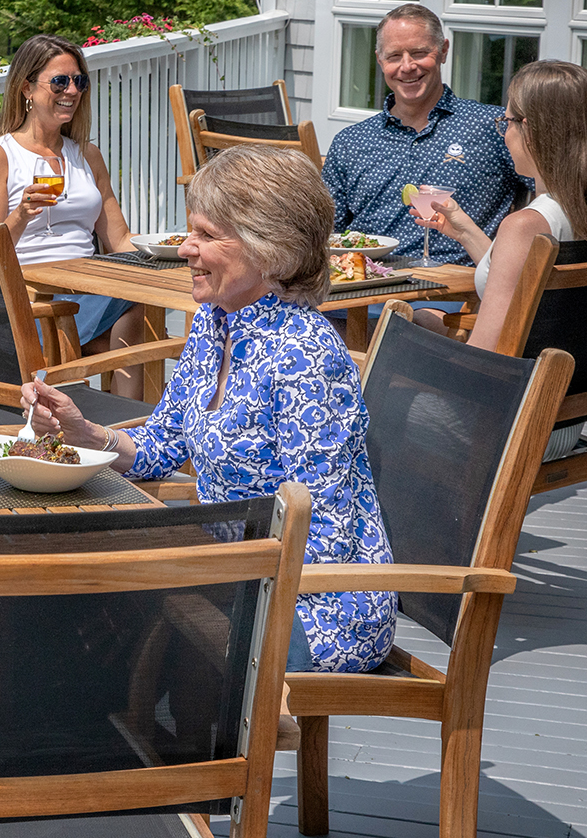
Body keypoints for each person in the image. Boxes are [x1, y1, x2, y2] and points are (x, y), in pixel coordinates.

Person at [21, 145, 397, 676]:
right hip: (237, 570)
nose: (185, 249)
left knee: (101, 605)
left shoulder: (305, 357)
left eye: (207, 234)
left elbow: (323, 537)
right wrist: (83, 432)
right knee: (68, 585)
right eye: (189, 230)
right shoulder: (215, 321)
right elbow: (161, 446)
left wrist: (194, 562)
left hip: (316, 609)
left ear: (271, 249)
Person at [413, 60, 587, 453]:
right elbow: (519, 284)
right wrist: (465, 231)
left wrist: (403, 360)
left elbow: (483, 360)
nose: (505, 133)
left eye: (508, 122)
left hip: (505, 429)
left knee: (367, 395)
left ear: (534, 130)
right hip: (563, 423)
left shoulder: (525, 226)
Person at [0, 34, 144, 397]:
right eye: (60, 81)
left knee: (142, 300)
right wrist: (21, 215)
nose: (72, 91)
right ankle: (131, 419)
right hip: (29, 300)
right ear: (27, 88)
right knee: (139, 317)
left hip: (87, 288)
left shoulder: (87, 155)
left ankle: (125, 420)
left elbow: (119, 240)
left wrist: (169, 248)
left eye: (79, 81)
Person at [323, 3, 528, 263]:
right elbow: (325, 233)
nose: (407, 66)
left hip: (455, 283)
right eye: (394, 56)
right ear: (380, 60)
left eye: (419, 53)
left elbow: (551, 198)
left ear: (443, 51)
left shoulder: (494, 127)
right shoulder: (350, 142)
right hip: (367, 281)